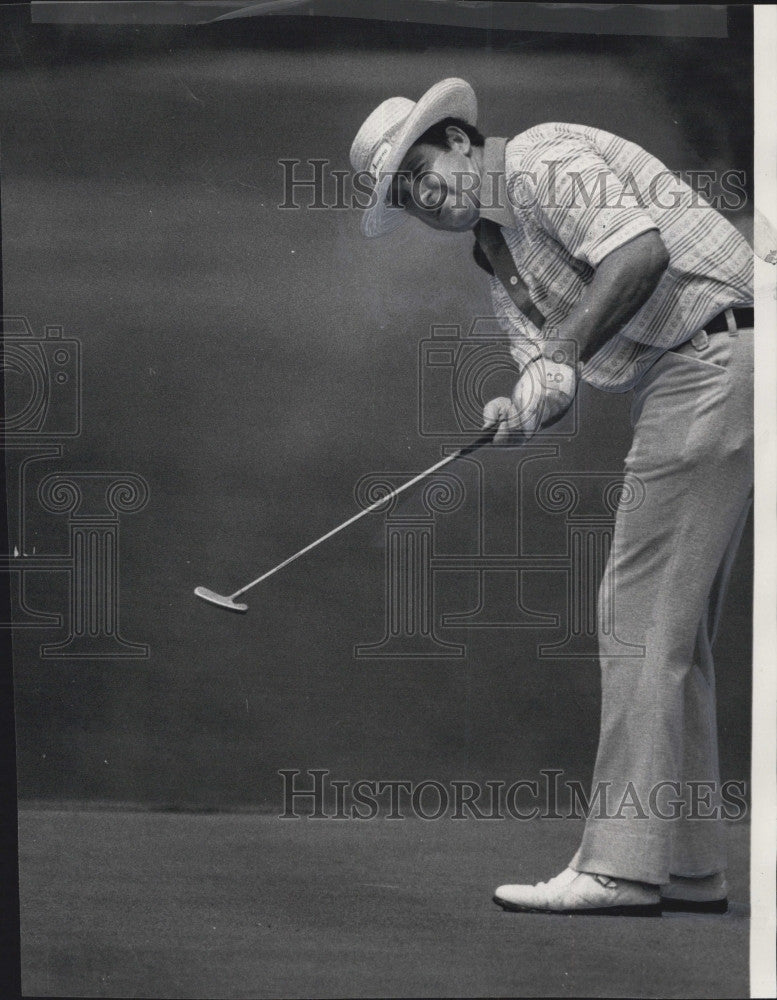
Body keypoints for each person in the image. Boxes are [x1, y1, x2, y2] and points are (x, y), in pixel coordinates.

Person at [349, 78, 754, 915]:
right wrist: (518, 408)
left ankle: (621, 867)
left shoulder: (538, 160)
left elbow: (635, 254)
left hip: (716, 356)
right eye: (409, 196)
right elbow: (552, 375)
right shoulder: (493, 254)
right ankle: (685, 866)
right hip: (703, 371)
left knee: (635, 617)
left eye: (427, 172)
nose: (428, 198)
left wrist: (558, 354)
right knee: (672, 631)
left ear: (462, 142)